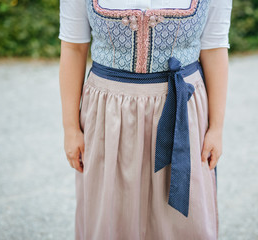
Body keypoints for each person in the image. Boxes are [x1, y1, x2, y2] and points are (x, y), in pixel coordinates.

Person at [58, 0, 232, 239]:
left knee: (184, 218)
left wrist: (216, 128)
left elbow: (214, 49)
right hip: (109, 112)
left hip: (182, 111)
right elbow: (73, 48)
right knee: (112, 211)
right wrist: (70, 129)